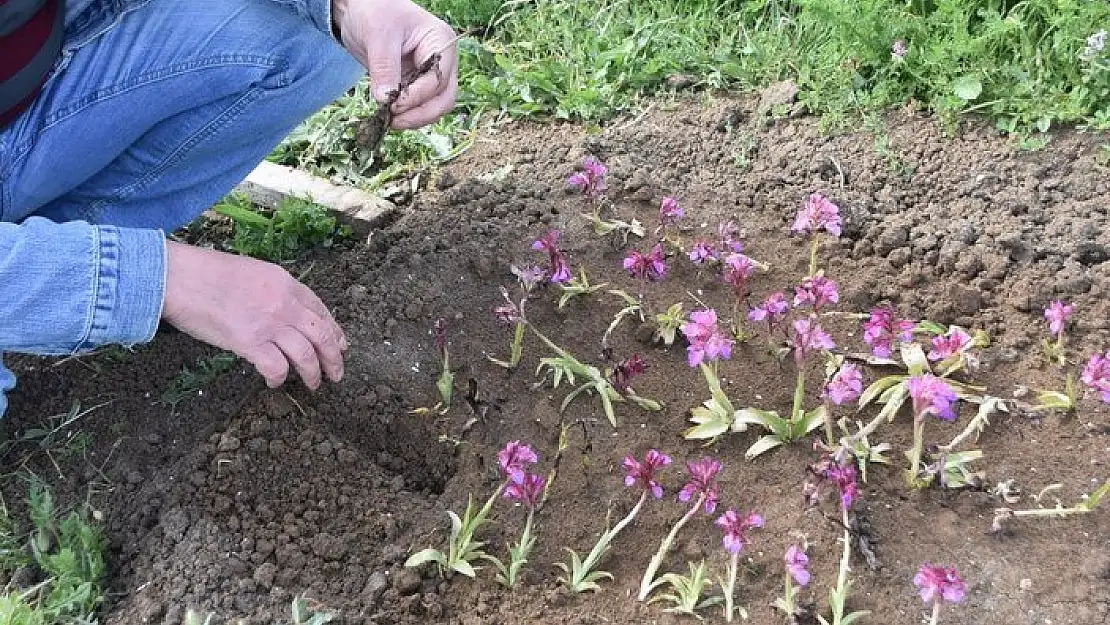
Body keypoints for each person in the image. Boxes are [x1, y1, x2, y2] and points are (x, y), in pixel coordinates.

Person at [0, 0, 459, 417]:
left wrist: (346, 6)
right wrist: (165, 279)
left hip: (27, 98)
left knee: (317, 34)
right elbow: (164, 280)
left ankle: (42, 253)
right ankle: (39, 273)